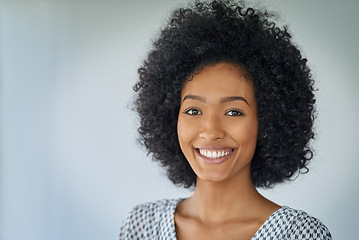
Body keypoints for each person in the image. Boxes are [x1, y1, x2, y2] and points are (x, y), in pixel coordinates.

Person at [120, 0, 332, 239]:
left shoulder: (299, 234)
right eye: (193, 110)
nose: (211, 131)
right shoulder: (141, 225)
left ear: (266, 123)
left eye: (233, 112)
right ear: (171, 118)